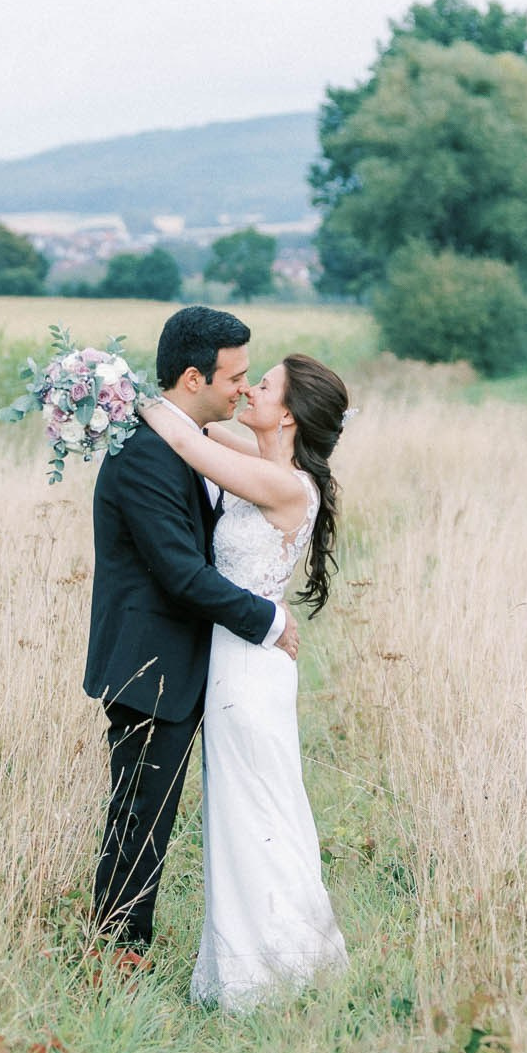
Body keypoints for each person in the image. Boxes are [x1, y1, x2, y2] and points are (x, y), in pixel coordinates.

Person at [84, 306, 299, 976]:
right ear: (193, 376)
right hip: (150, 662)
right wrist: (269, 621)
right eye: (234, 377)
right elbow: (180, 572)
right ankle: (116, 951)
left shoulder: (194, 438)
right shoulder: (145, 453)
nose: (243, 388)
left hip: (197, 662)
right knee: (141, 815)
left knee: (168, 811)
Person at [136, 350, 352, 1012]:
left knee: (257, 808)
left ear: (288, 415)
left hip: (251, 672)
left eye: (263, 385)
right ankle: (255, 961)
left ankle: (271, 971)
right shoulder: (260, 462)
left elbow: (184, 439)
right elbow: (198, 427)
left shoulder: (284, 485)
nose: (249, 390)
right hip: (236, 659)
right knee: (239, 809)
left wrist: (112, 389)